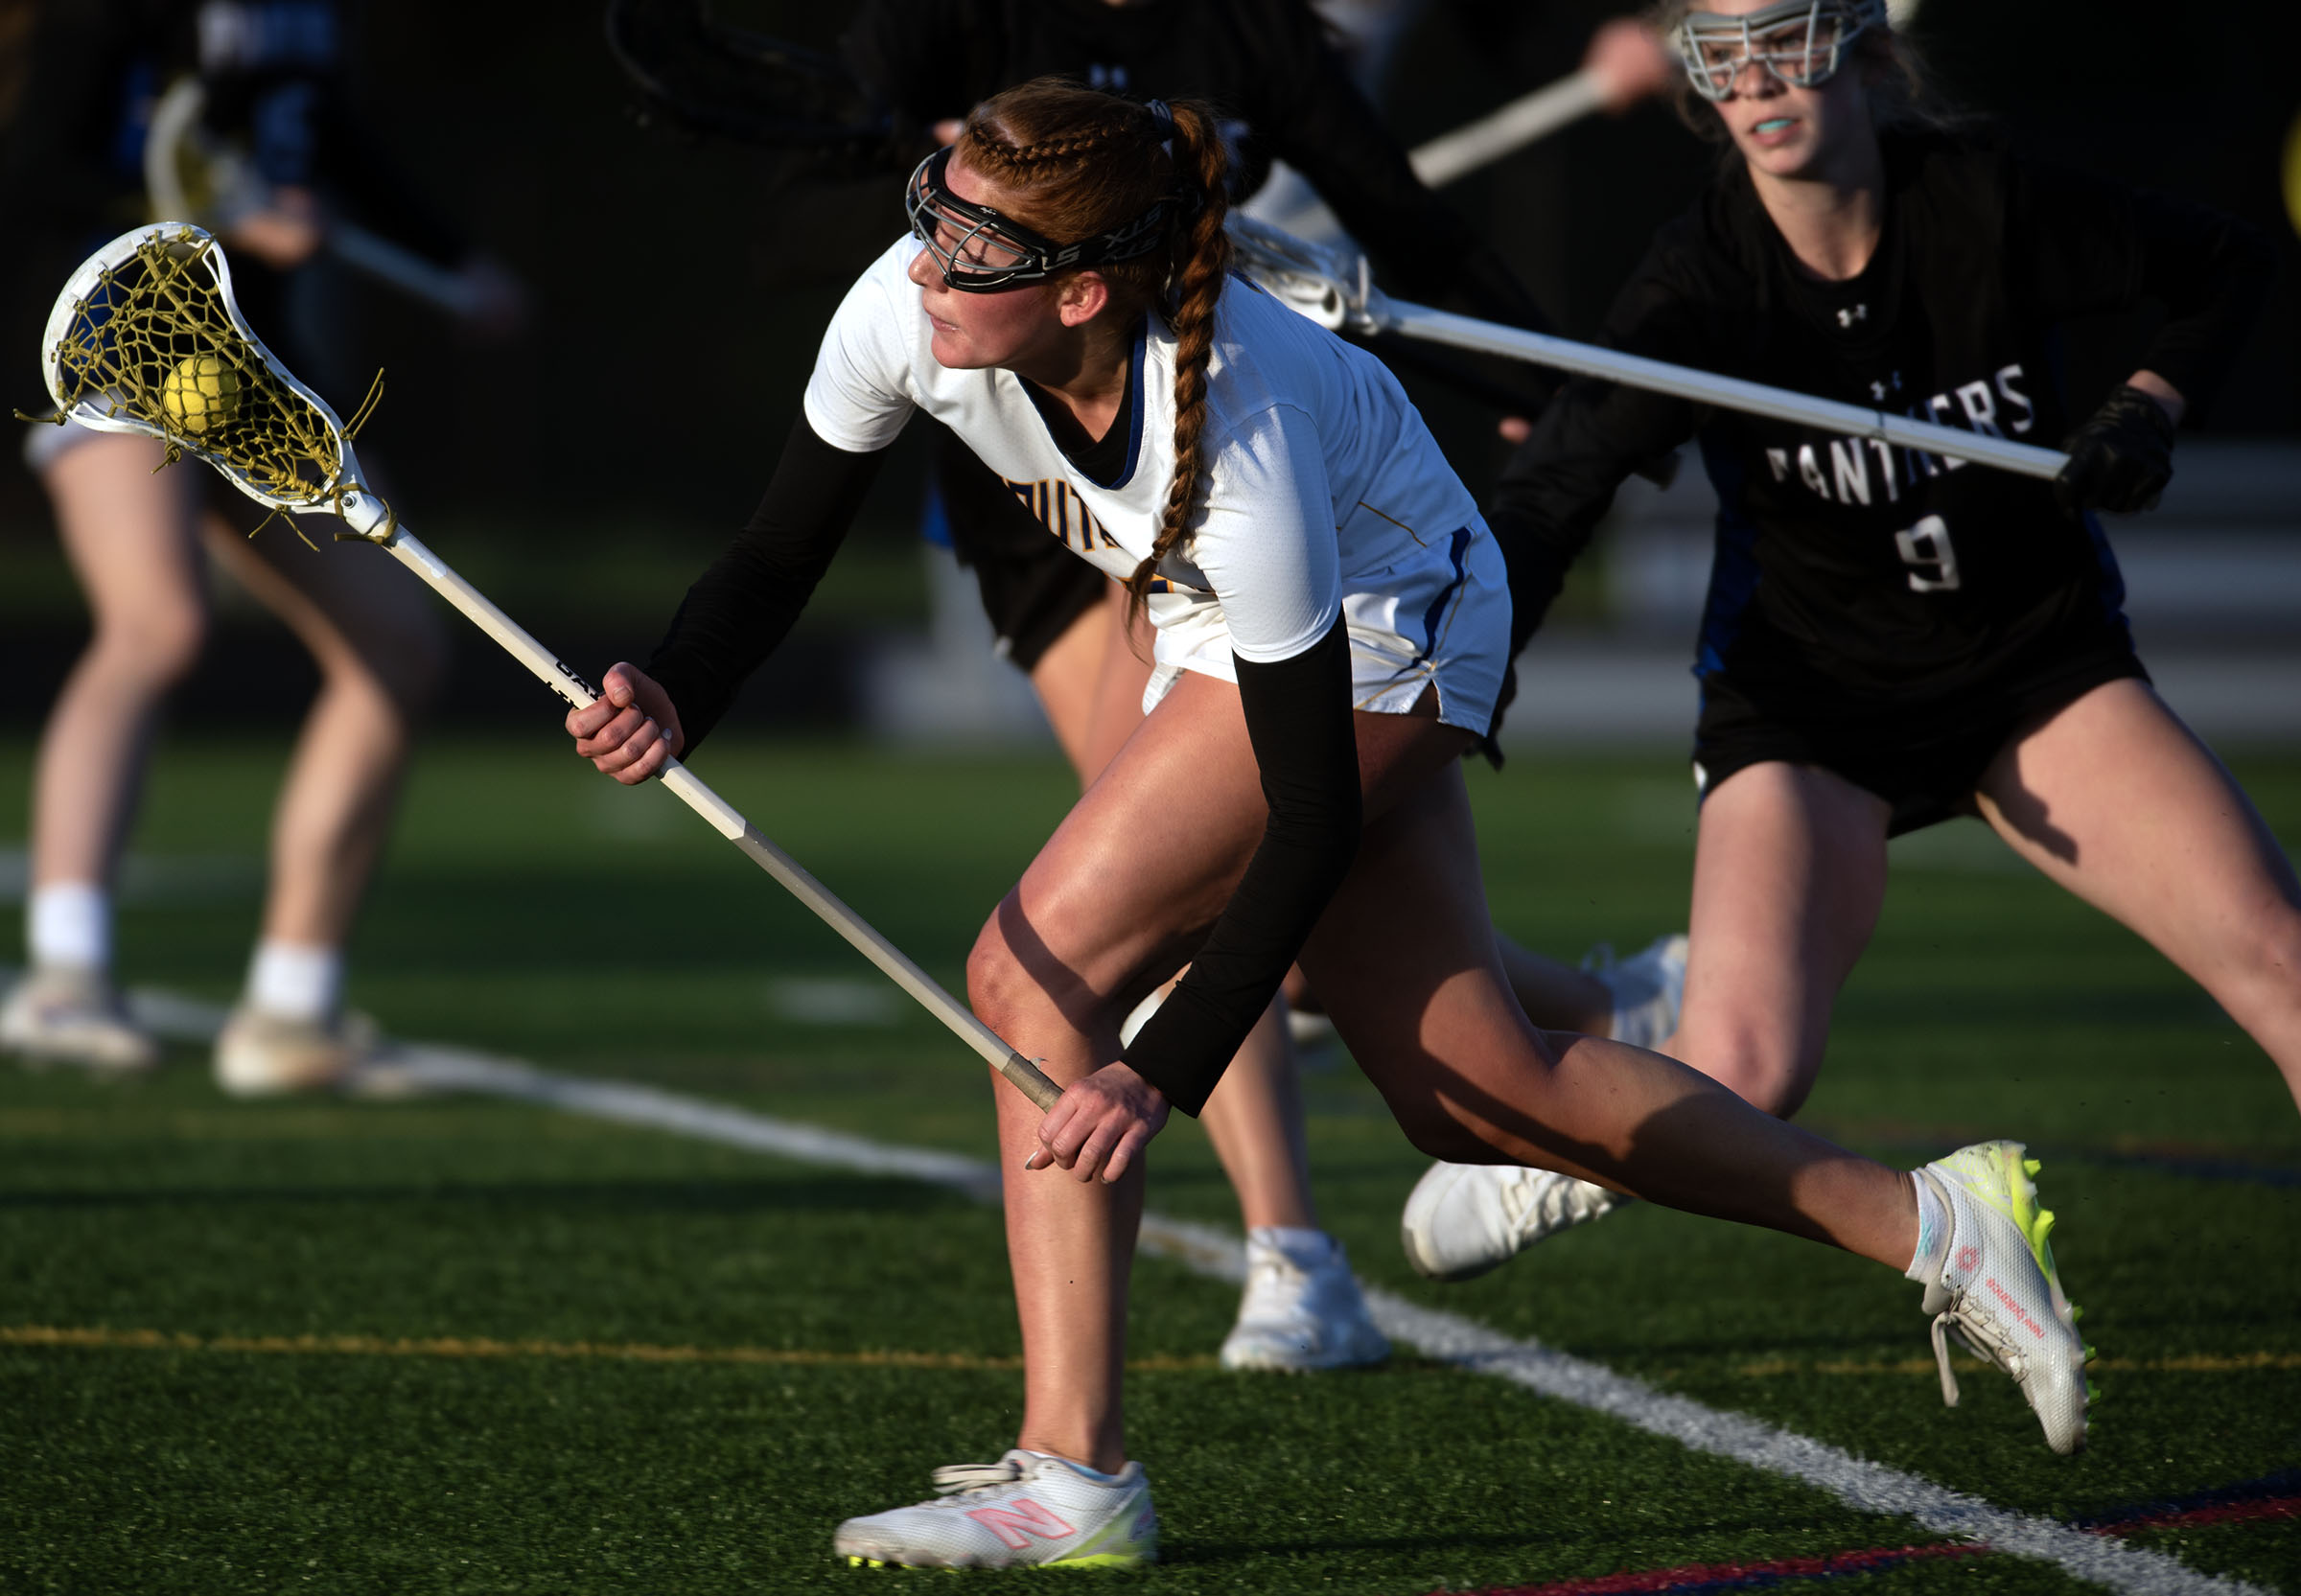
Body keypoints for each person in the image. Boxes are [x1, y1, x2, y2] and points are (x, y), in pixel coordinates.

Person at [569, 78, 2092, 1569]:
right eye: (931, 221)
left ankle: (1074, 1470)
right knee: (1474, 1097)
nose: (925, 267)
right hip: (1225, 624)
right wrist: (677, 688)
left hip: (1396, 628)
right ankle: (1937, 1224)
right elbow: (776, 553)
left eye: (973, 251)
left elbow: (1303, 822)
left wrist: (1161, 1069)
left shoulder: (1236, 433)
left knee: (1033, 974)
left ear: (1087, 294)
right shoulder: (910, 310)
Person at [826, 0, 1683, 1373]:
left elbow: (1399, 212)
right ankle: (1545, 1068)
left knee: (1153, 922)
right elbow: (850, 118)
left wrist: (1529, 374)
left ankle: (1289, 1258)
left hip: (1221, 498)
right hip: (1038, 490)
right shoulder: (959, 29)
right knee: (1186, 921)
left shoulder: (1245, 44)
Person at [1398, 0, 2291, 1284]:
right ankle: (1568, 1153)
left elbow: (2226, 264)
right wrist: (1468, 672)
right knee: (1744, 1072)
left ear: (1865, 47)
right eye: (1721, 57)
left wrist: (2147, 409)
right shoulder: (1697, 278)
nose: (1756, 81)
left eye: (1787, 41)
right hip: (1809, 712)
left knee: (2280, 954)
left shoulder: (1982, 199)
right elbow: (1556, 493)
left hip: (2035, 671)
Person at [0, 0, 511, 1092]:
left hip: (254, 366)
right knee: (158, 624)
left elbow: (333, 147)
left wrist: (453, 258)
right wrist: (225, 213)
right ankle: (63, 976)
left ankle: (290, 1011)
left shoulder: (309, 18)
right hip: (118, 360)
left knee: (399, 650)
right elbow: (35, 172)